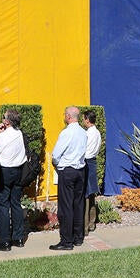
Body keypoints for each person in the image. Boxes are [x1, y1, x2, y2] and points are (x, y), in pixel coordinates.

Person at [49, 106, 87, 251]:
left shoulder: (66, 133)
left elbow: (56, 155)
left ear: (69, 117)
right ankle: (78, 237)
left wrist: (59, 167)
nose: (64, 117)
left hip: (68, 170)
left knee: (66, 207)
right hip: (80, 170)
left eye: (65, 114)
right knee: (78, 204)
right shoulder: (83, 133)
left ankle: (66, 240)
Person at [0, 109, 28, 251]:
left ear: (6, 121)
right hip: (19, 170)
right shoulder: (20, 134)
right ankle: (18, 237)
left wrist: (0, 133)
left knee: (2, 204)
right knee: (16, 203)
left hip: (4, 171)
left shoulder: (2, 137)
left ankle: (5, 240)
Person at [81, 109, 102, 234]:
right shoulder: (98, 133)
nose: (83, 121)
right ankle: (92, 223)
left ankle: (84, 227)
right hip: (93, 162)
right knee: (92, 192)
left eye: (83, 118)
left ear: (87, 120)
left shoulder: (87, 134)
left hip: (87, 162)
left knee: (86, 194)